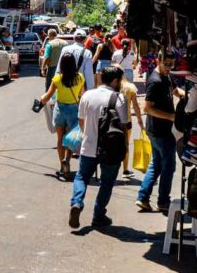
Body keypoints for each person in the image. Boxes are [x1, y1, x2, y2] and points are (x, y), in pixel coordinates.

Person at [68, 66, 130, 228]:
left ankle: (77, 202)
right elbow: (124, 124)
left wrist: (89, 133)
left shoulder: (87, 95)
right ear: (115, 81)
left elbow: (81, 121)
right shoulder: (119, 98)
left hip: (88, 146)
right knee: (107, 183)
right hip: (110, 149)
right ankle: (98, 215)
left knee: (81, 177)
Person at [136, 50, 185, 213]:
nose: (169, 68)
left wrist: (188, 96)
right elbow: (147, 108)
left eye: (171, 65)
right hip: (159, 130)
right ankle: (163, 201)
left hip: (162, 130)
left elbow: (176, 91)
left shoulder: (168, 76)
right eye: (166, 64)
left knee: (156, 164)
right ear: (158, 60)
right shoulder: (155, 81)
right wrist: (171, 117)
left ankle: (143, 197)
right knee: (169, 166)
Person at [40, 53, 85, 179]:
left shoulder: (57, 79)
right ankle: (67, 160)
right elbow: (82, 95)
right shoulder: (80, 78)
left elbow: (47, 96)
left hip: (60, 110)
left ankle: (61, 166)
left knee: (60, 139)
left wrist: (41, 100)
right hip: (74, 110)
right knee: (70, 139)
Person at [118, 64, 144, 179]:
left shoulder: (110, 87)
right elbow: (136, 106)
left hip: (112, 120)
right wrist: (140, 121)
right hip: (126, 121)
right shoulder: (130, 87)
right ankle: (125, 170)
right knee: (125, 145)